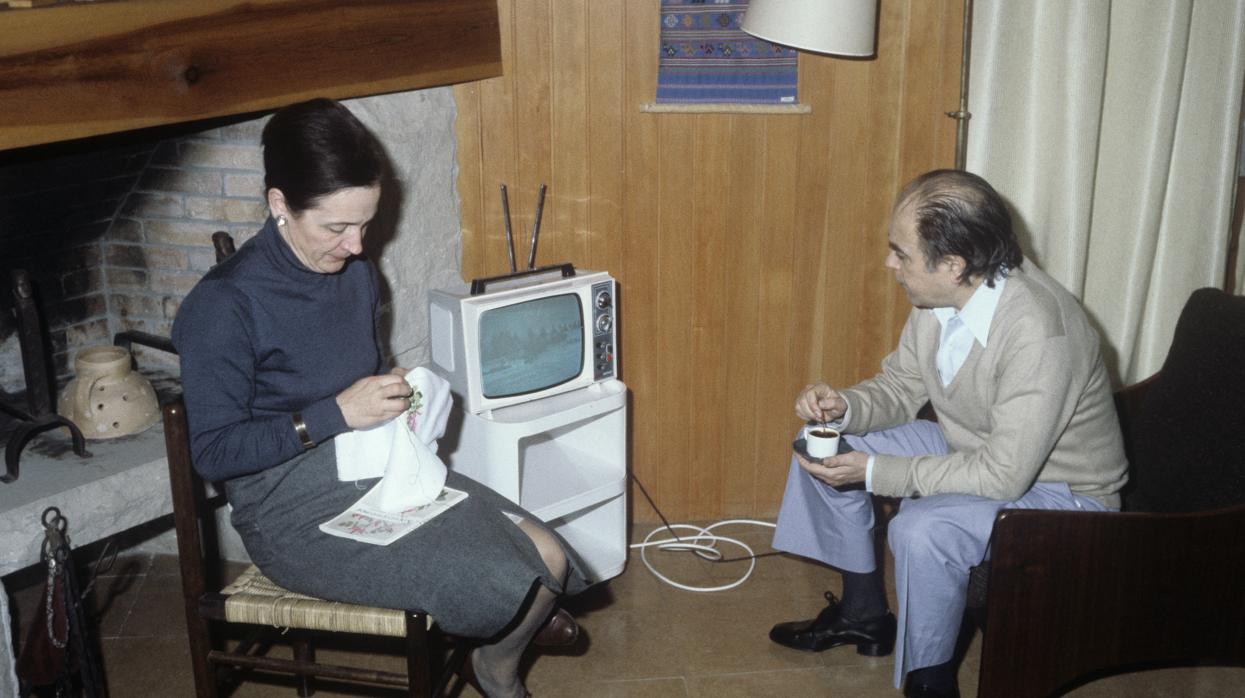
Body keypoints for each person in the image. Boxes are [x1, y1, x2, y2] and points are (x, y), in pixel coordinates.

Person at [172, 97, 589, 698]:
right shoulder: (222, 306)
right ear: (279, 204)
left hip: (373, 462)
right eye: (336, 227)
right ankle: (501, 661)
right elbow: (212, 452)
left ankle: (492, 661)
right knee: (516, 578)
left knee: (547, 553)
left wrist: (400, 396)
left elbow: (355, 373)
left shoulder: (355, 273)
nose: (357, 247)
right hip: (288, 509)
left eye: (365, 223)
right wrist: (335, 413)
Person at [768, 170, 1128, 698]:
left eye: (901, 253)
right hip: (980, 448)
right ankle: (864, 614)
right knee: (822, 441)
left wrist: (878, 473)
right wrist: (843, 407)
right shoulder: (941, 301)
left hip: (1065, 495)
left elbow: (1005, 474)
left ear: (954, 265)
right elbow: (900, 386)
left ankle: (930, 680)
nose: (890, 264)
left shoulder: (1040, 331)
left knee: (920, 530)